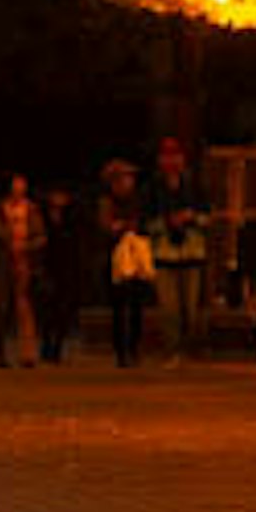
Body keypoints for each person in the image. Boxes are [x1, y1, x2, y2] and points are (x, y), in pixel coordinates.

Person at [142, 135, 210, 366]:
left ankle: (190, 349)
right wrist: (166, 222)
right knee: (168, 308)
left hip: (192, 252)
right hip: (163, 253)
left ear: (183, 159)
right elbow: (146, 222)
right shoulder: (152, 188)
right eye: (166, 155)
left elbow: (207, 216)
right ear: (160, 160)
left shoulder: (195, 185)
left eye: (176, 155)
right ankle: (172, 351)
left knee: (190, 309)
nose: (171, 161)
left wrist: (191, 217)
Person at [96, 157, 154, 369]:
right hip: (115, 259)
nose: (128, 181)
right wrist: (117, 227)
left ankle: (134, 348)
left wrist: (134, 227)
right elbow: (104, 226)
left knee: (137, 306)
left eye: (130, 178)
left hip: (136, 258)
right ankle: (121, 351)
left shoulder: (138, 200)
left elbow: (144, 223)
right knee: (119, 307)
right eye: (124, 177)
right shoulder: (106, 201)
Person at [0, 174, 47, 368]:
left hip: (24, 263)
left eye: (22, 188)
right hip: (2, 264)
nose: (19, 192)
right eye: (15, 188)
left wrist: (27, 246)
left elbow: (41, 236)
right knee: (0, 308)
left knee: (24, 309)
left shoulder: (32, 209)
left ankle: (27, 354)